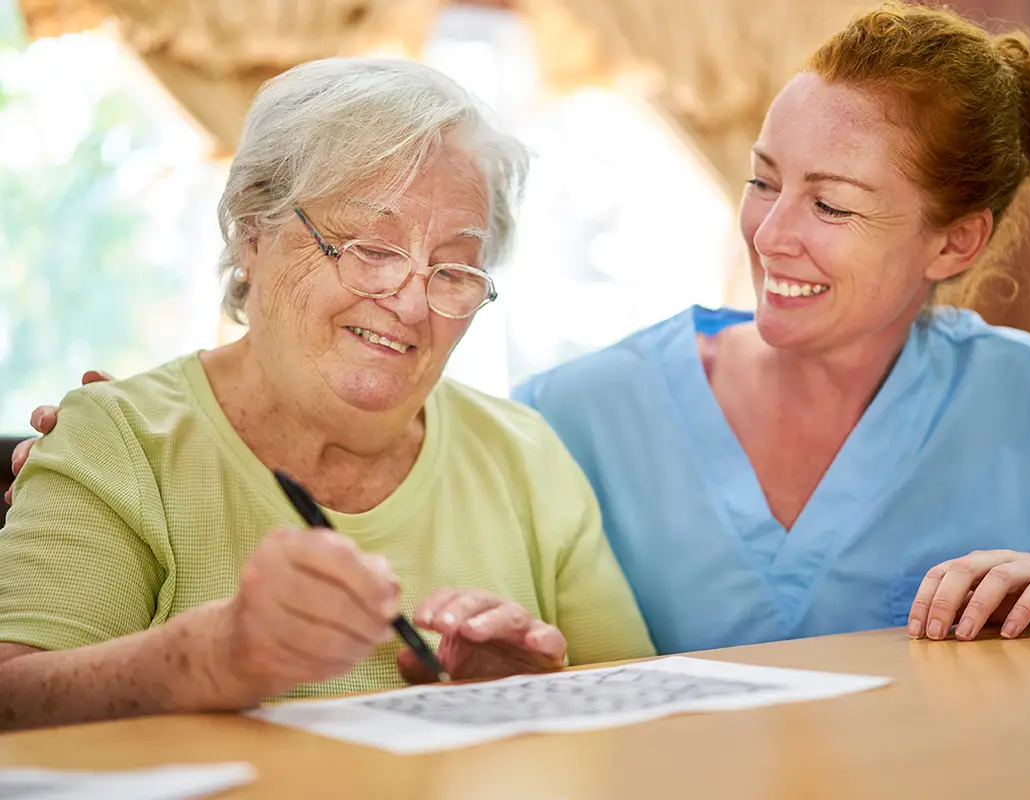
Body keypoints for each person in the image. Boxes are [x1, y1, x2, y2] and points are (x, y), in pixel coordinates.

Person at [14, 4, 1030, 658]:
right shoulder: (579, 410)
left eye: (833, 206)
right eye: (764, 177)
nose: (772, 232)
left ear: (953, 243)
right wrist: (128, 435)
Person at [0, 57, 653, 732]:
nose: (410, 301)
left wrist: (530, 701)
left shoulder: (526, 454)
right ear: (253, 231)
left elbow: (649, 719)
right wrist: (203, 661)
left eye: (454, 267)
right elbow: (10, 703)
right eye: (370, 246)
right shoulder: (119, 438)